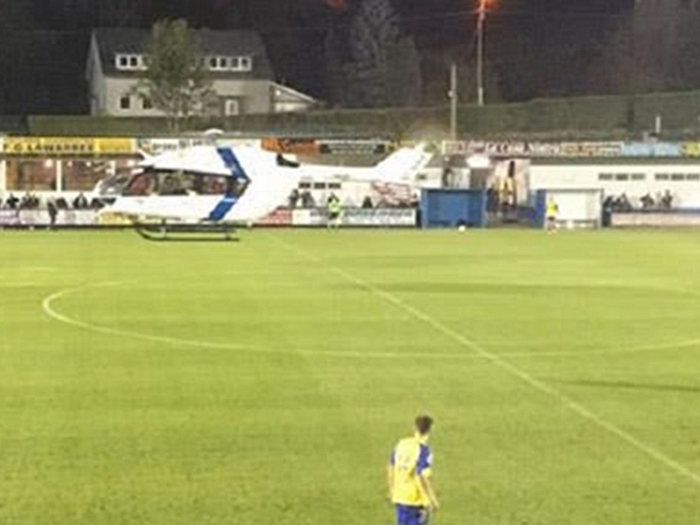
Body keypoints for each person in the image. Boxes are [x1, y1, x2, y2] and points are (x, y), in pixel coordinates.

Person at [387, 415, 439, 525]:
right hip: (414, 501)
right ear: (430, 430)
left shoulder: (401, 444)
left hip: (400, 497)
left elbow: (391, 466)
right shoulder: (424, 450)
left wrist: (392, 490)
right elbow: (421, 476)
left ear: (415, 427)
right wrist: (430, 500)